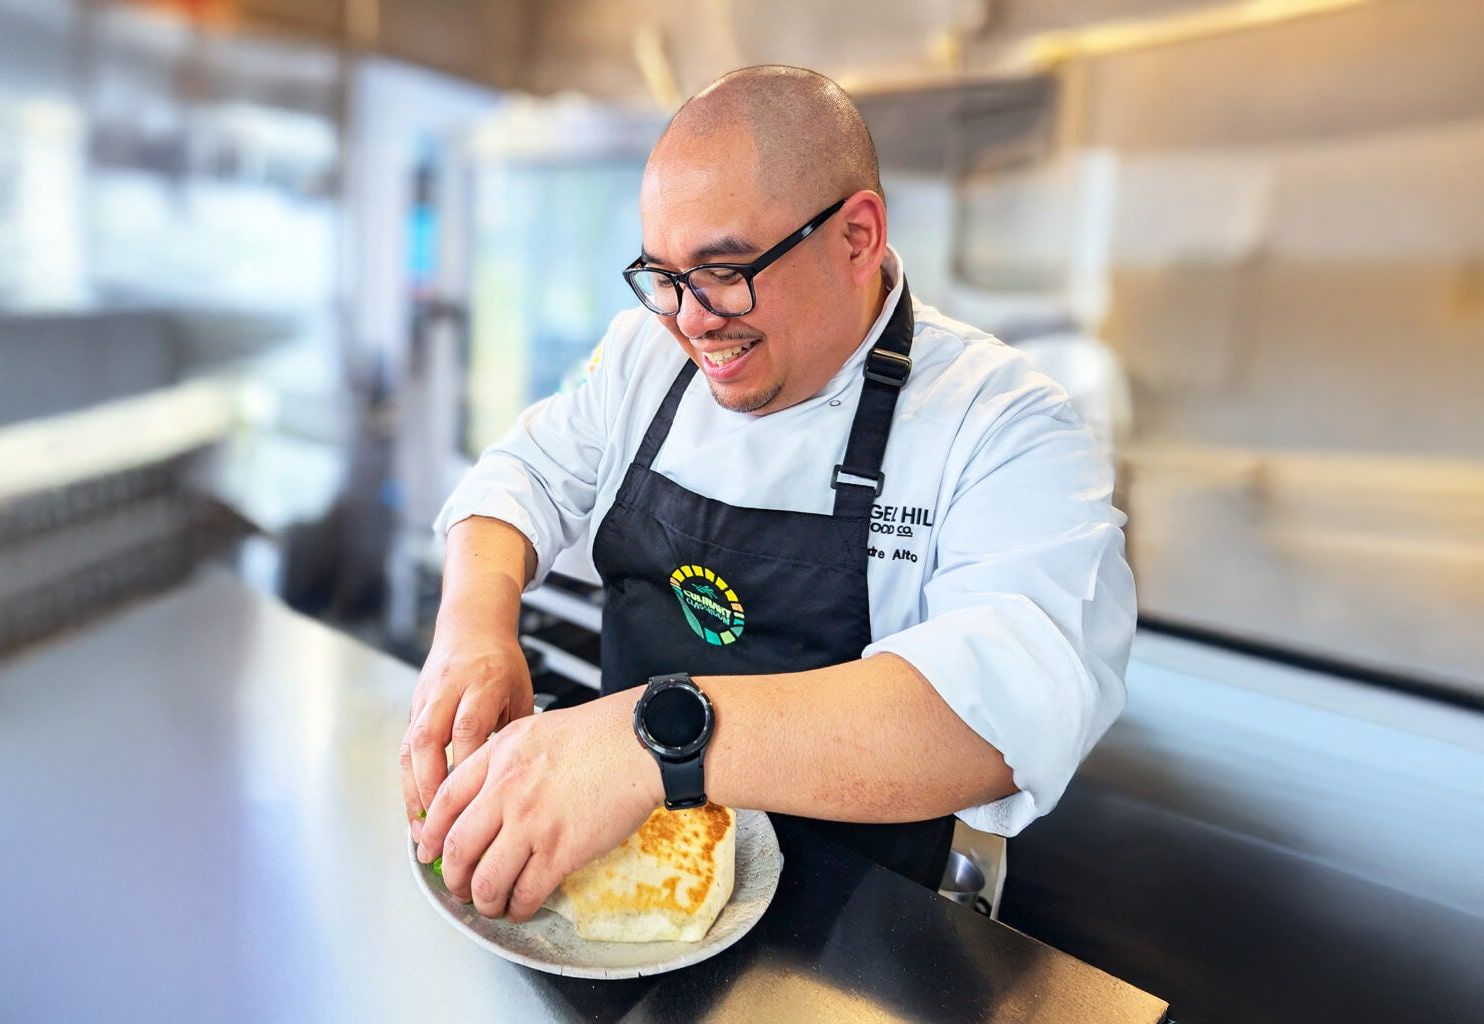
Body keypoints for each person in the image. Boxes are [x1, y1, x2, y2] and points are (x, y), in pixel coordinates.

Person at [404, 65, 1135, 923]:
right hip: (624, 889)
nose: (690, 319)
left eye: (723, 269)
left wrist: (647, 740)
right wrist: (471, 632)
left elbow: (1005, 711)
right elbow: (520, 474)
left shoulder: (1004, 422)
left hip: (864, 931)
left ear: (857, 237)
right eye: (663, 276)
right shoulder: (649, 354)